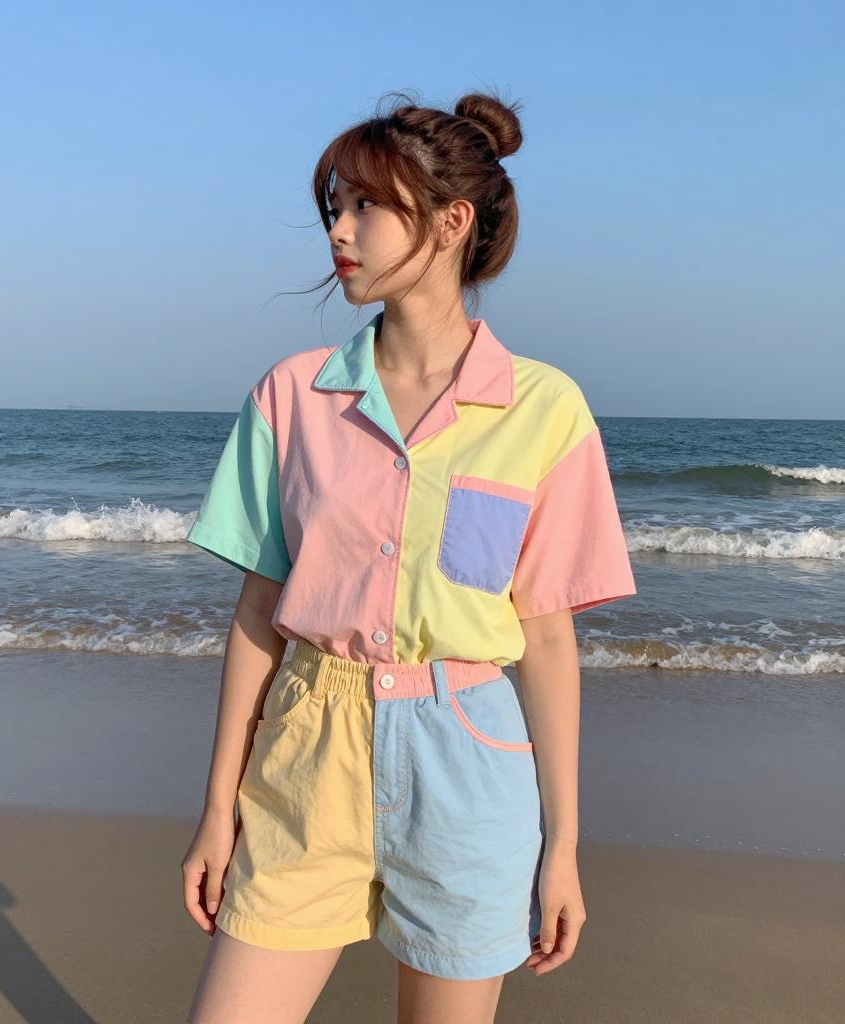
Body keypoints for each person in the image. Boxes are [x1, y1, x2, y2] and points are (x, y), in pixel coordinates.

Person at [182, 89, 637, 1024]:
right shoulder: (292, 396)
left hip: (468, 763)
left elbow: (547, 639)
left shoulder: (544, 409)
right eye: (335, 205)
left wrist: (562, 847)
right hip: (306, 754)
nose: (337, 230)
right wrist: (217, 807)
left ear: (450, 222)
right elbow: (259, 614)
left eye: (364, 205)